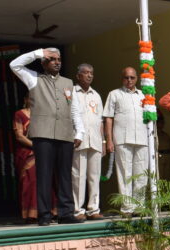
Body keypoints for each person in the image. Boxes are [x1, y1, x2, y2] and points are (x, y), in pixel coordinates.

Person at [9, 47, 83, 226]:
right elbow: (14, 65)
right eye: (52, 59)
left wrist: (79, 131)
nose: (57, 62)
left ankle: (66, 213)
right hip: (43, 133)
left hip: (65, 133)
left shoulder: (68, 82)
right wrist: (39, 52)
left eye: (58, 59)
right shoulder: (34, 78)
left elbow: (74, 109)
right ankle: (44, 215)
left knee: (65, 175)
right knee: (44, 174)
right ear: (43, 63)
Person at [103, 67, 149, 212]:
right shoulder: (114, 94)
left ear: (137, 79)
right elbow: (108, 118)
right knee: (125, 174)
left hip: (142, 139)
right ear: (122, 79)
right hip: (122, 139)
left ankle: (139, 207)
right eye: (126, 77)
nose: (129, 80)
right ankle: (128, 208)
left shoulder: (144, 96)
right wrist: (108, 140)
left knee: (141, 174)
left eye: (132, 77)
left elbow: (150, 119)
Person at [72, 63, 104, 220]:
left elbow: (100, 121)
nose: (89, 75)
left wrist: (104, 142)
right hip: (79, 141)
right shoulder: (72, 93)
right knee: (78, 175)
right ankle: (78, 210)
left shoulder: (96, 95)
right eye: (85, 73)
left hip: (96, 141)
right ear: (78, 76)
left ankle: (93, 209)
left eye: (91, 73)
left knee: (94, 176)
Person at [12, 96, 40, 222]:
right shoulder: (19, 114)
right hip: (26, 153)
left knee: (46, 181)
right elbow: (19, 136)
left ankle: (46, 212)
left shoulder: (42, 115)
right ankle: (30, 214)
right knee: (30, 181)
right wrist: (36, 146)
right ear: (26, 98)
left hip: (42, 153)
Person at [156, 111, 170, 182]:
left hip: (168, 156)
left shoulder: (166, 135)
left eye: (162, 123)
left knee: (168, 178)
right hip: (159, 156)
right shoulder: (154, 135)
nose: (161, 124)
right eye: (160, 122)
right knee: (160, 177)